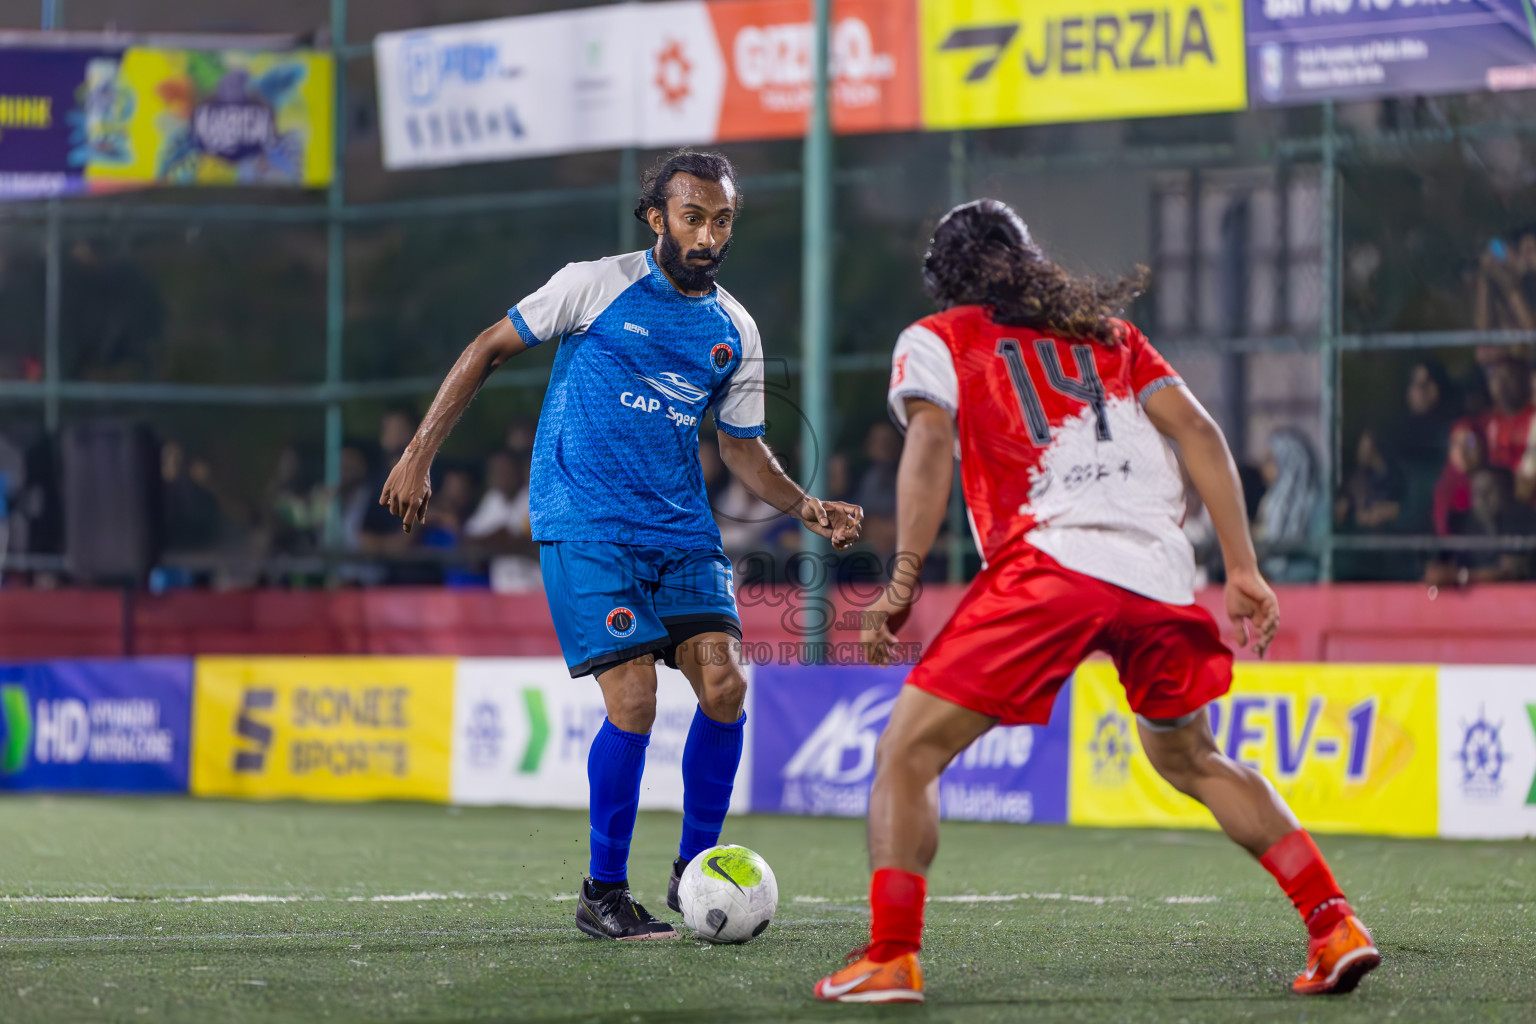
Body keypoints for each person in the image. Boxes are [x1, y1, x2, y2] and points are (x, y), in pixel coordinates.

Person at [813, 200, 1378, 1004]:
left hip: (1049, 565)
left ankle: (892, 955)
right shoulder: (1111, 338)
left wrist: (902, 577)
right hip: (1158, 573)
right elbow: (1205, 435)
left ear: (947, 283)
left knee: (907, 754)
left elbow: (931, 443)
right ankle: (1334, 926)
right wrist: (1243, 569)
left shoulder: (939, 337)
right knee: (1193, 758)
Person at [378, 149, 863, 941]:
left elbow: (741, 447)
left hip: (680, 530)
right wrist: (419, 451)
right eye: (694, 216)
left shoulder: (735, 329)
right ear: (656, 217)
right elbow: (487, 348)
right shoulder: (593, 284)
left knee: (727, 687)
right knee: (635, 699)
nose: (709, 234)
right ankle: (602, 892)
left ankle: (694, 873)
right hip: (586, 520)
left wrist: (807, 506)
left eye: (723, 219)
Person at [1425, 466, 1536, 586]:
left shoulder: (1520, 521)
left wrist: (1462, 576)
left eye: (1488, 491)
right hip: (1461, 600)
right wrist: (1440, 573)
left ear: (1505, 493)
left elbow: (1512, 571)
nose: (1482, 499)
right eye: (1477, 491)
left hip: (1511, 598)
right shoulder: (1459, 524)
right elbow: (1437, 567)